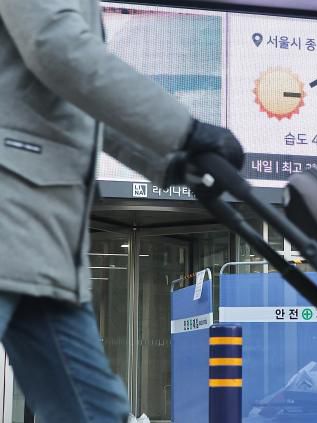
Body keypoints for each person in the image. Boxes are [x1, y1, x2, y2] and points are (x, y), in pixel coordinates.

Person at [0, 1, 243, 422]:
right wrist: (183, 129)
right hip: (14, 213)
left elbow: (74, 99)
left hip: (40, 238)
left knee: (95, 410)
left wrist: (170, 158)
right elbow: (57, 48)